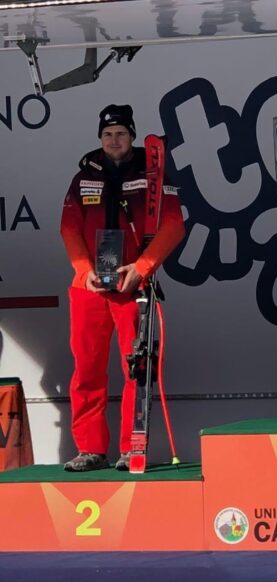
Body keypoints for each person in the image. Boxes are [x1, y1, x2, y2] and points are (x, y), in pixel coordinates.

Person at [60, 104, 185, 471]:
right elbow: (69, 227)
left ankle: (133, 446)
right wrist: (84, 271)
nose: (114, 140)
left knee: (137, 369)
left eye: (121, 133)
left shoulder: (154, 174)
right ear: (100, 138)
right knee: (87, 370)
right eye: (107, 134)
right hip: (89, 288)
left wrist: (142, 268)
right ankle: (90, 449)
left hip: (133, 286)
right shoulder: (84, 177)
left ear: (132, 136)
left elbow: (173, 225)